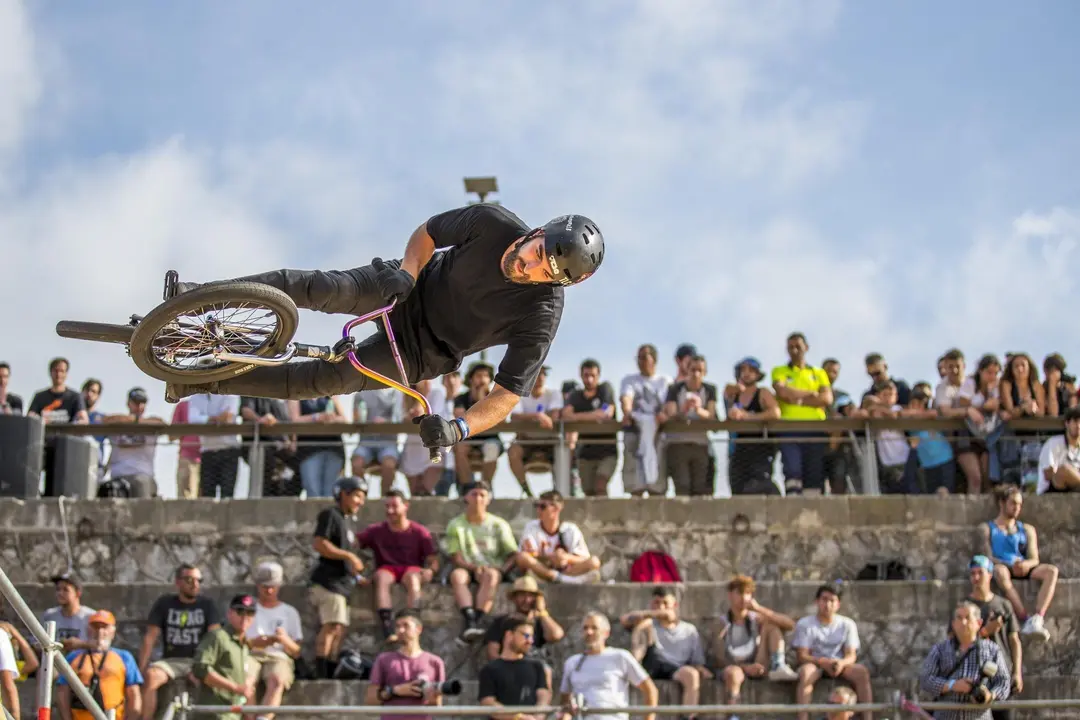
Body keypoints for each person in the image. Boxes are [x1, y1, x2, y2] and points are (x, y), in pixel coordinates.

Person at [162, 206, 606, 454]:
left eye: (541, 273)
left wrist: (459, 428)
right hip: (410, 285)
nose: (527, 267)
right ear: (537, 232)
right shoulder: (491, 223)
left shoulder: (542, 314)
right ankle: (199, 295)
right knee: (323, 289)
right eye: (534, 253)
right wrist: (409, 271)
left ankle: (198, 379)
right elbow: (428, 233)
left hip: (423, 351)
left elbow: (506, 395)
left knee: (322, 380)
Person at [919, 601, 1010, 720]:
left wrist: (989, 695)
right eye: (959, 618)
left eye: (967, 617)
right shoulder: (940, 650)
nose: (963, 622)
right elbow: (925, 680)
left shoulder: (992, 649)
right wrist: (952, 685)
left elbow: (1003, 682)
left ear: (979, 623)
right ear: (953, 624)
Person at [365, 610, 447, 720]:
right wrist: (394, 691)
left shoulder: (435, 662)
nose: (401, 630)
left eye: (406, 626)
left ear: (419, 629)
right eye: (398, 626)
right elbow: (370, 701)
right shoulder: (384, 660)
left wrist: (426, 692)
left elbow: (436, 705)